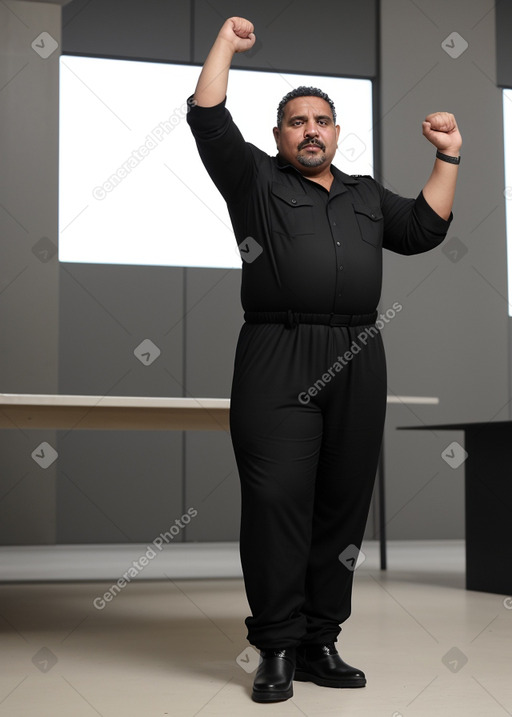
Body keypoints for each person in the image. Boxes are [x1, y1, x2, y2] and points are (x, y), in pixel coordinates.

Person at [186, 16, 461, 704]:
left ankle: (319, 641)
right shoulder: (252, 179)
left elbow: (425, 228)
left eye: (322, 120)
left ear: (337, 132)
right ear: (279, 135)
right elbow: (207, 116)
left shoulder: (367, 194)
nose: (310, 129)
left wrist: (448, 155)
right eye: (296, 121)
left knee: (342, 506)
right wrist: (224, 44)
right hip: (276, 351)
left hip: (357, 355)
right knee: (277, 498)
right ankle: (275, 644)